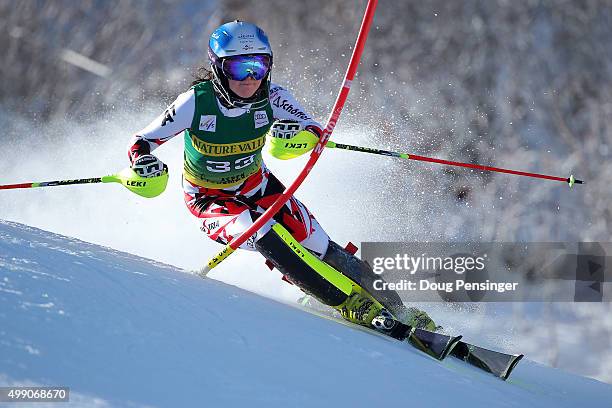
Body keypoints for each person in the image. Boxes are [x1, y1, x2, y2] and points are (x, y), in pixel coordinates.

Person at [127, 20, 435, 331]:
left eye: (258, 67)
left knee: (316, 243)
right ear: (218, 68)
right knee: (258, 228)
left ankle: (401, 310)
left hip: (258, 185)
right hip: (209, 199)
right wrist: (142, 162)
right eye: (238, 69)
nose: (249, 79)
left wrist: (300, 133)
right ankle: (346, 303)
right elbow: (142, 141)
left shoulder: (273, 97)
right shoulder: (196, 102)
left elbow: (315, 129)